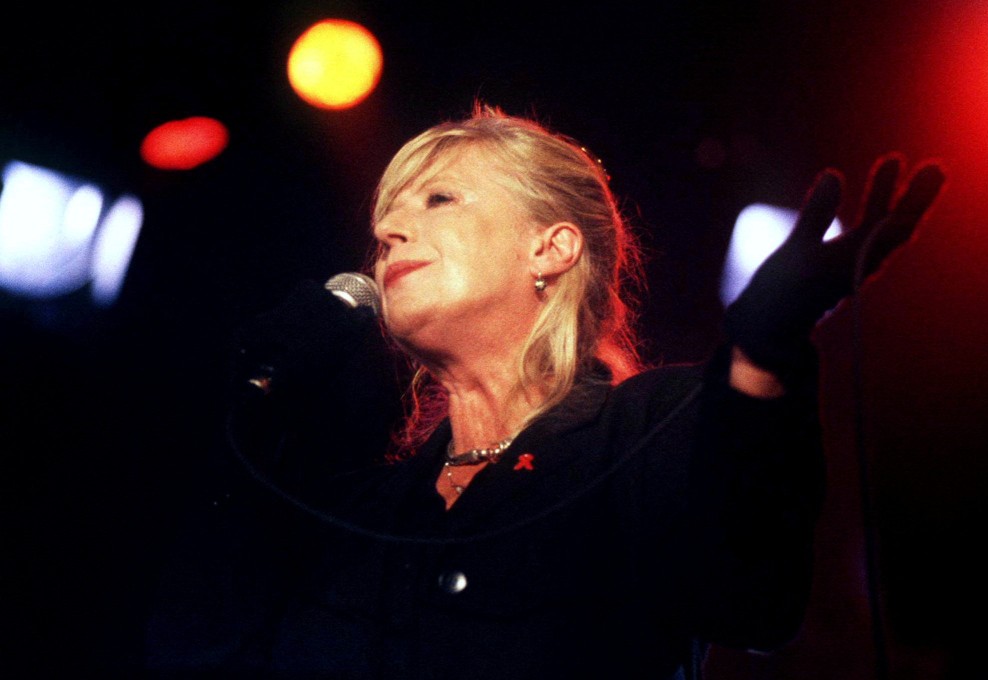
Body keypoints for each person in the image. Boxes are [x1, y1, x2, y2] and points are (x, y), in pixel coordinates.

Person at [143, 103, 944, 679]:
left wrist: (761, 360)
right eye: (385, 215)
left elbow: (750, 603)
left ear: (552, 247)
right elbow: (190, 644)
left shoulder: (649, 429)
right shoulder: (362, 507)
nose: (387, 231)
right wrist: (261, 411)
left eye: (438, 199)